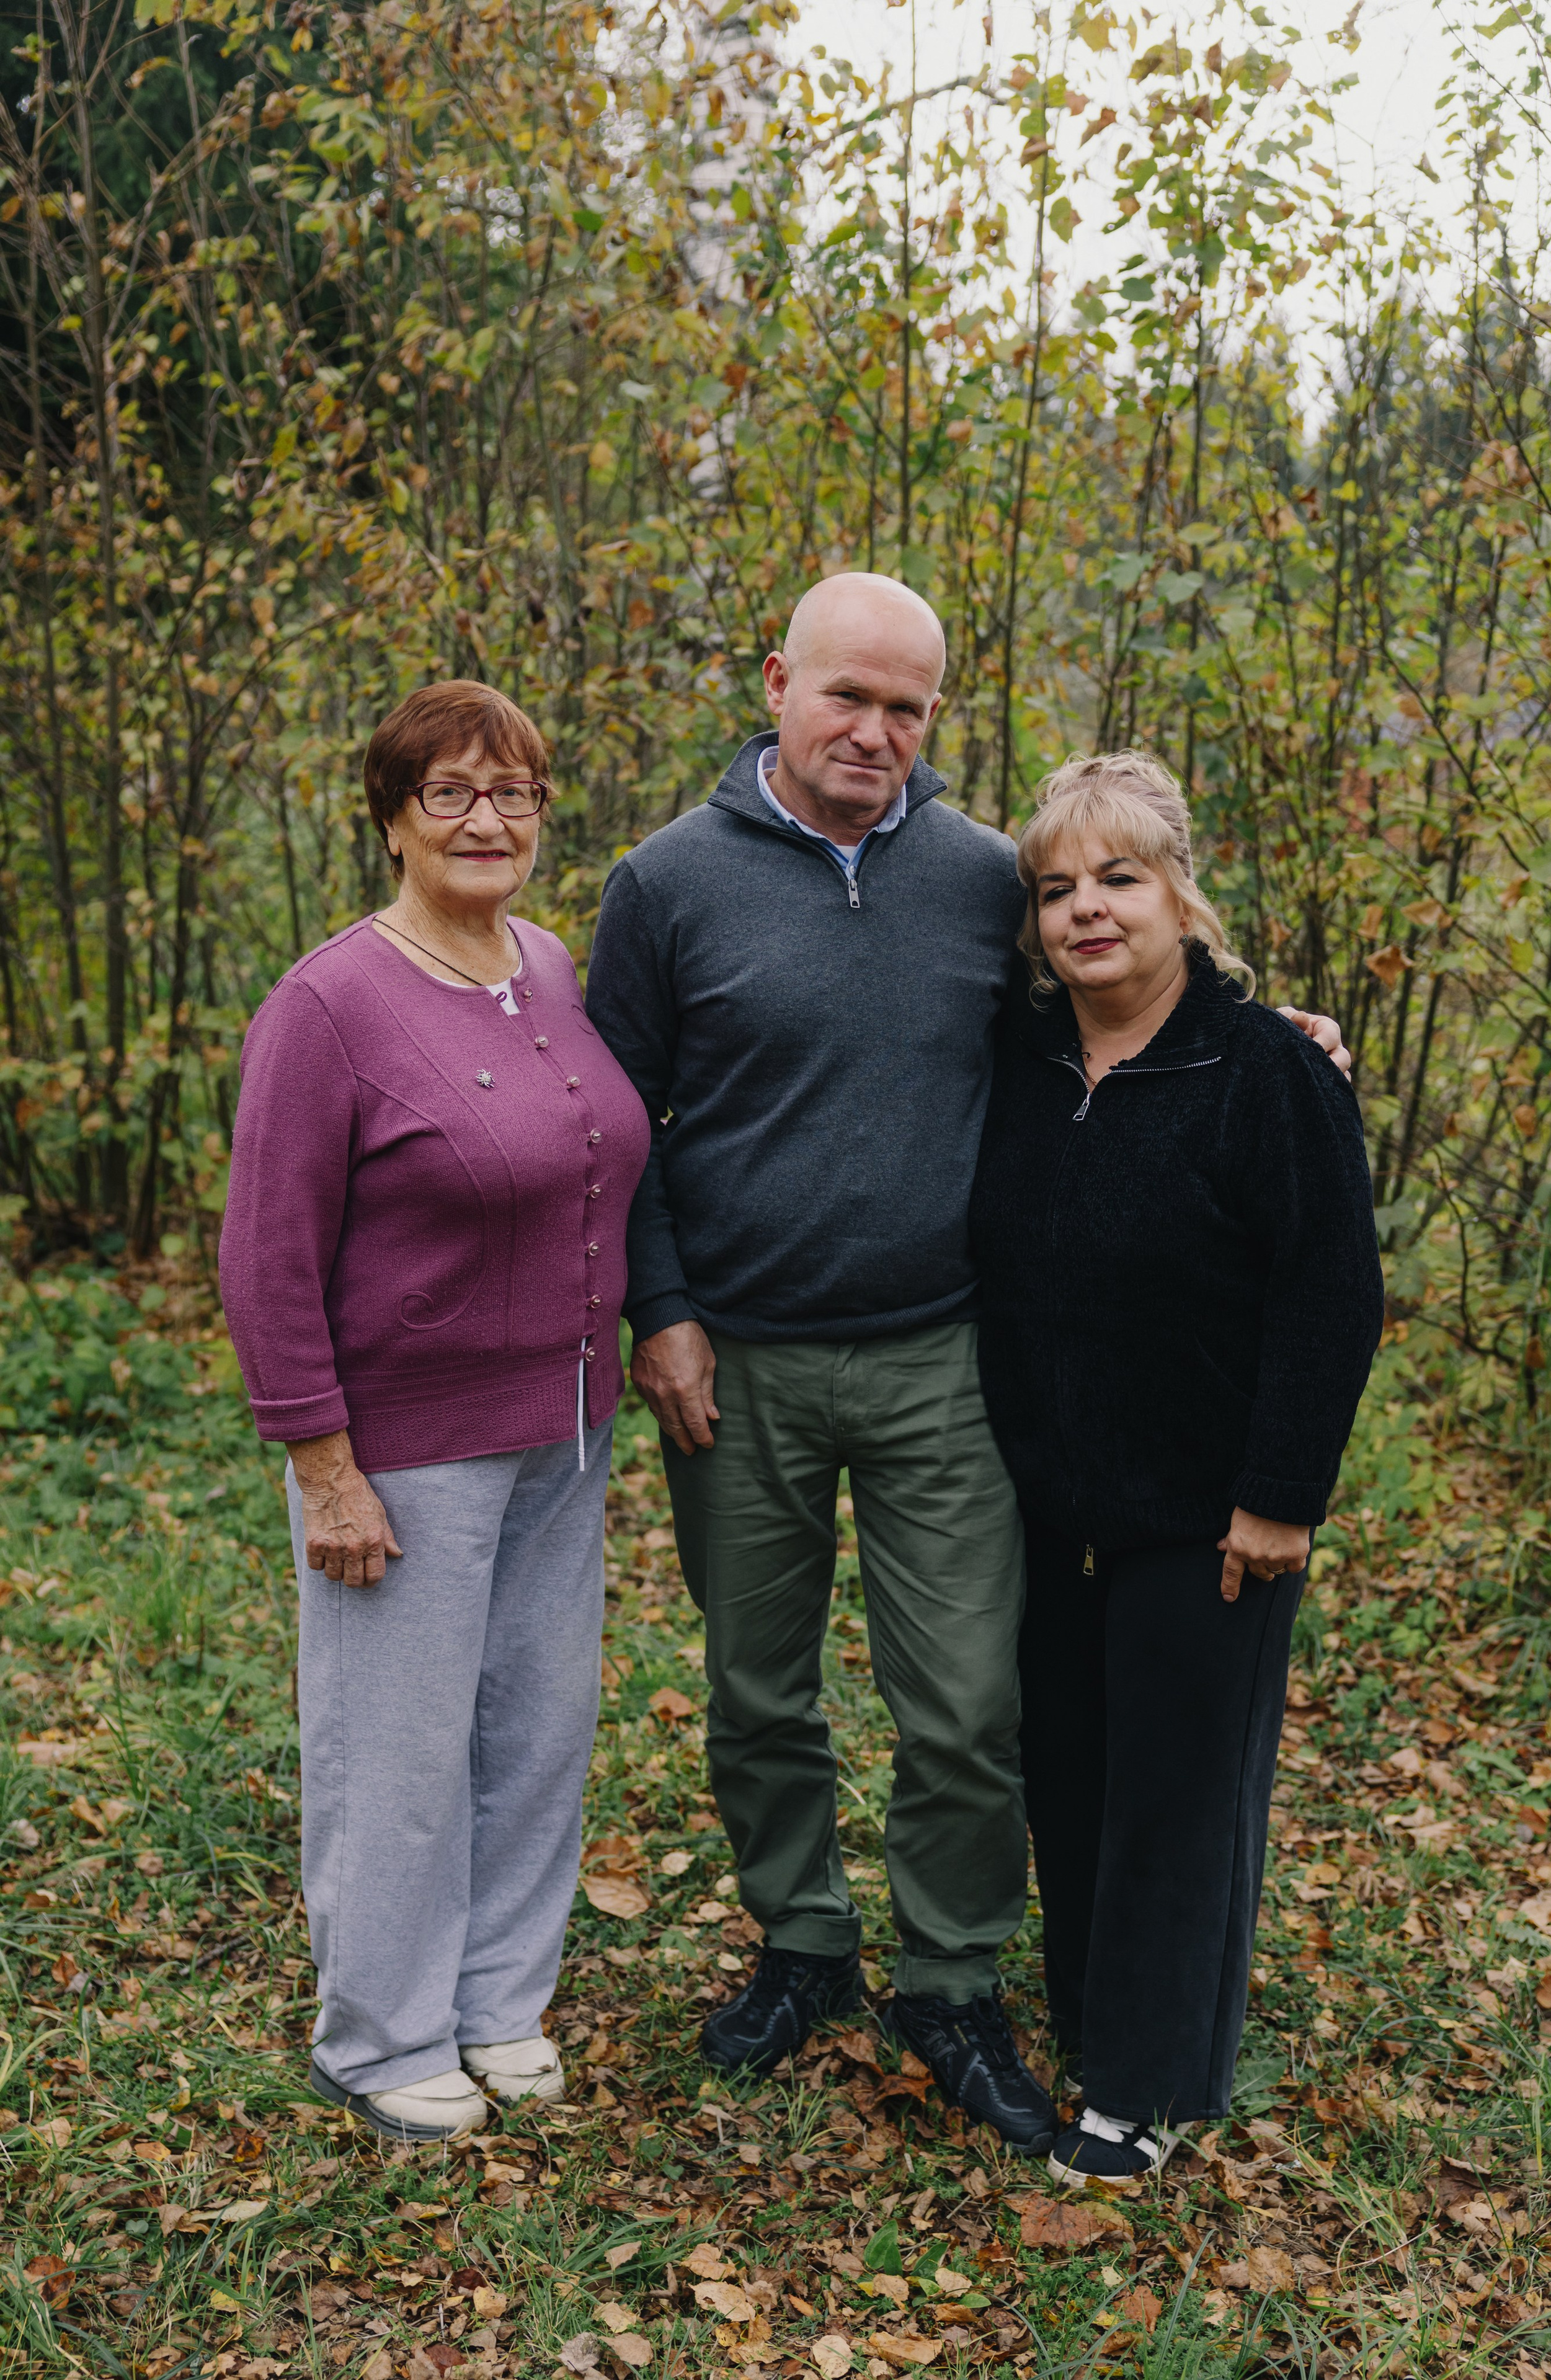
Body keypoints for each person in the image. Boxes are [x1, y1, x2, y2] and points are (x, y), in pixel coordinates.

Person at [584, 574, 1353, 2156]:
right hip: (738, 1357)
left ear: (937, 714)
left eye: (907, 705)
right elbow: (612, 1119)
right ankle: (799, 1942)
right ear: (778, 684)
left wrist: (1273, 1033)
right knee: (757, 1685)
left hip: (945, 1356)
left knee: (964, 1704)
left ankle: (947, 1975)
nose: (873, 729)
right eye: (845, 695)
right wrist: (655, 1306)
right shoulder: (662, 884)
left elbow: (1122, 993)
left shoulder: (980, 875)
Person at [219, 682, 649, 2142]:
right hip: (404, 1447)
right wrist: (321, 1465)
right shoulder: (329, 1001)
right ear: (393, 815)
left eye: (514, 792)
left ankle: (494, 2000)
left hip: (566, 1425)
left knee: (535, 1728)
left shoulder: (543, 961)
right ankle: (382, 2028)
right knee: (395, 1747)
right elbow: (267, 1249)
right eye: (452, 793)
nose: (488, 818)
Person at [969, 750, 1382, 2188]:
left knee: (1176, 1787)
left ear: (1180, 895)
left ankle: (1140, 2081)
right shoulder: (1017, 1056)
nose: (1085, 909)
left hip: (1205, 1512)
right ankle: (1094, 2011)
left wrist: (1277, 1496)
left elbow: (1330, 1293)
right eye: (1055, 888)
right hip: (1048, 1500)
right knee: (1070, 1768)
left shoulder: (1262, 1067)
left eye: (1117, 878)